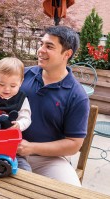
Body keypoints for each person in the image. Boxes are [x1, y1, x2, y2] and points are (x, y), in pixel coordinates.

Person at [18, 25, 89, 187]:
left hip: (48, 160)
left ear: (67, 54)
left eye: (49, 46)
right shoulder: (22, 75)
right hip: (8, 151)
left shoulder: (77, 96)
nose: (41, 50)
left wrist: (30, 147)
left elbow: (74, 144)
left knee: (73, 193)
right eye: (41, 44)